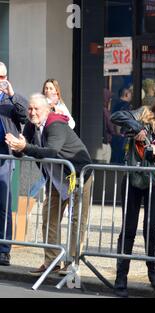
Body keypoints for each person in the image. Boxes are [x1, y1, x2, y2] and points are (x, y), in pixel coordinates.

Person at [5, 93, 92, 275]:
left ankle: (72, 263)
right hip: (56, 177)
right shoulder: (31, 125)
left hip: (77, 175)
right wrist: (16, 147)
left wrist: (24, 147)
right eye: (30, 108)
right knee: (49, 218)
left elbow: (51, 151)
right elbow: (23, 148)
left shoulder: (55, 125)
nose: (32, 112)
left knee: (76, 221)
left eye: (36, 109)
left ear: (46, 110)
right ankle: (52, 261)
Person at [110, 87, 155, 297]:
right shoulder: (144, 113)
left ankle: (153, 271)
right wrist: (137, 128)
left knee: (152, 229)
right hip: (134, 177)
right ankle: (121, 277)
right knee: (129, 229)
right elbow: (117, 115)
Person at [0, 61, 28, 266]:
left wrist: (12, 94)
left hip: (5, 157)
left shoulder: (12, 100)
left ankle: (3, 249)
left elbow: (25, 116)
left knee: (4, 204)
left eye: (2, 77)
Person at [111, 86, 133, 164]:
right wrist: (120, 134)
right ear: (126, 94)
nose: (131, 96)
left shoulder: (116, 105)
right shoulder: (125, 106)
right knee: (121, 159)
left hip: (116, 136)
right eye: (130, 94)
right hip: (121, 136)